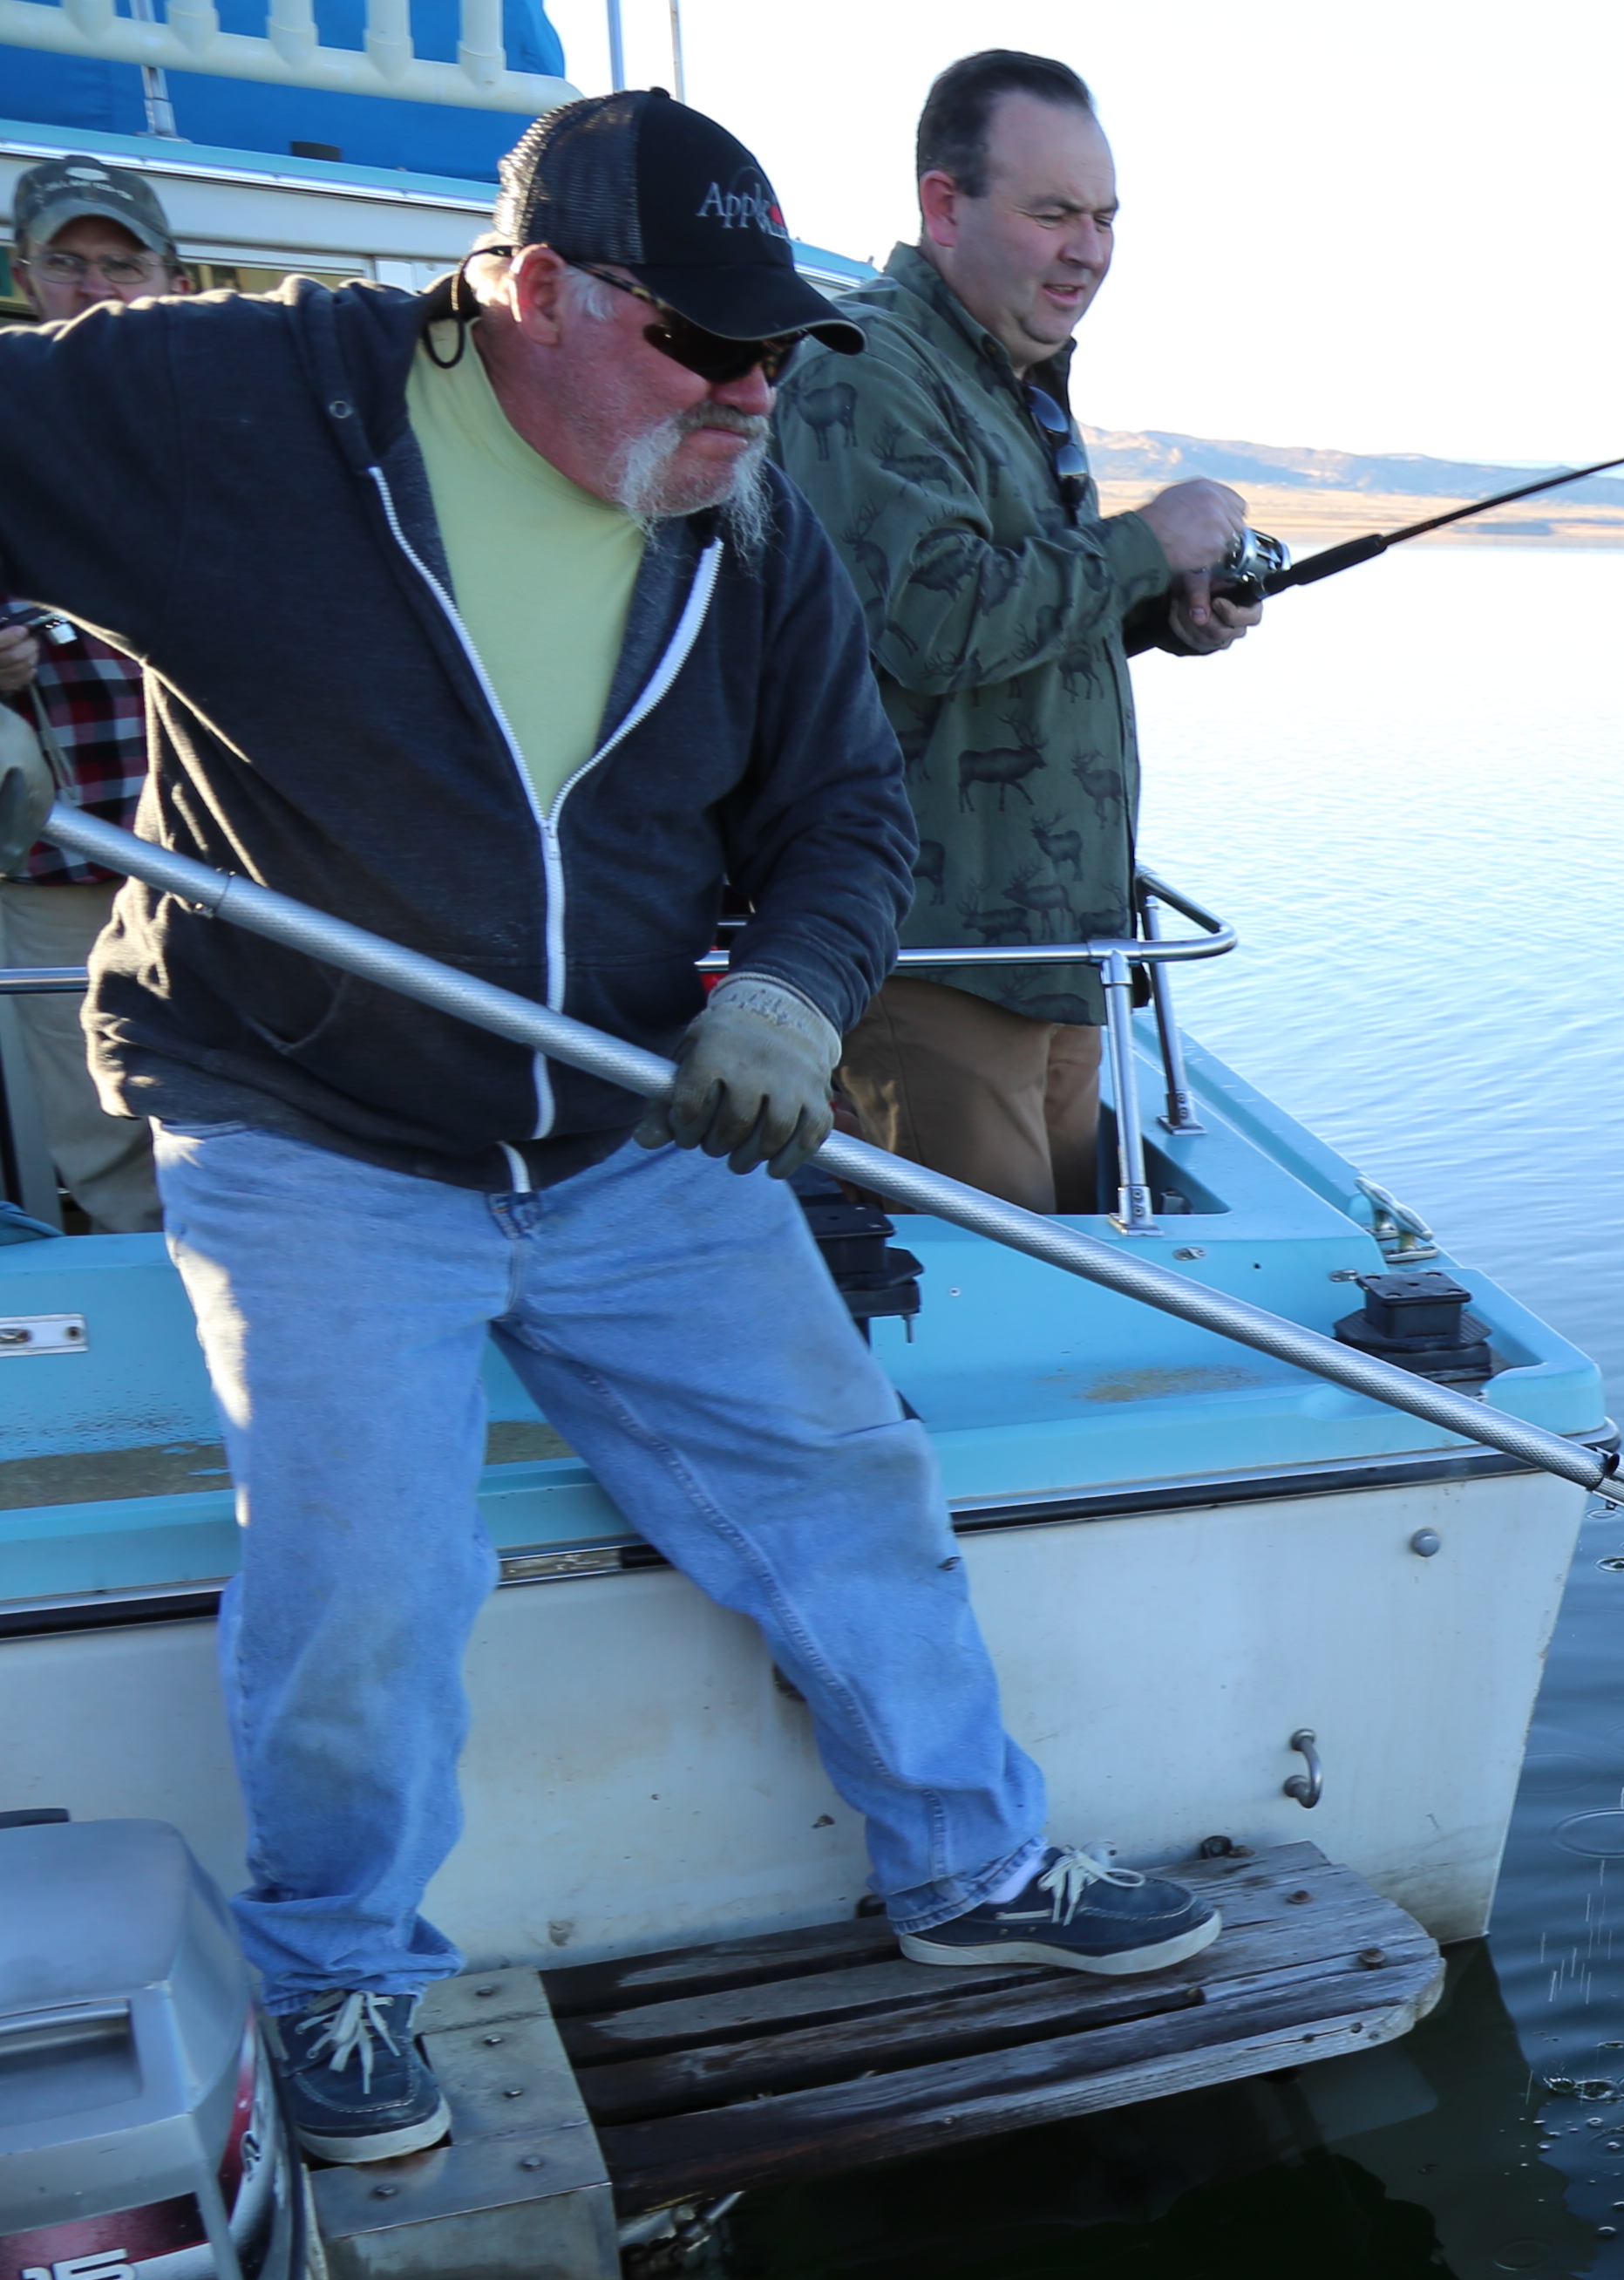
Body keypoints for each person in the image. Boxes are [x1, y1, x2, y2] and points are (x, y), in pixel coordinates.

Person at [0, 88, 1220, 2169]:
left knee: (848, 1478)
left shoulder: (750, 523)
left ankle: (972, 1874)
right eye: (706, 344)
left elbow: (845, 814)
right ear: (537, 291)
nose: (755, 392)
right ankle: (336, 1978)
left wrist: (787, 991)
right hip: (308, 1118)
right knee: (365, 1557)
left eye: (781, 350)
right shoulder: (252, 407)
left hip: (629, 1121)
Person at [772, 49, 1260, 1215]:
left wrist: (1164, 612)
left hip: (1053, 953)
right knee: (1000, 1295)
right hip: (937, 956)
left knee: (1071, 1280)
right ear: (945, 205)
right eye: (1052, 213)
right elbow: (935, 618)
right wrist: (1148, 542)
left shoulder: (1011, 377)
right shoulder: (862, 365)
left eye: (1103, 217)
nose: (1087, 249)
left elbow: (1009, 616)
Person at [0, 155, 194, 1233]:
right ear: (27, 275)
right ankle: (179, 1382)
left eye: (123, 263)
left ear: (169, 277)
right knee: (103, 1134)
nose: (95, 285)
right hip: (63, 859)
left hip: (240, 858)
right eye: (68, 262)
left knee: (262, 1113)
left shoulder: (232, 414)